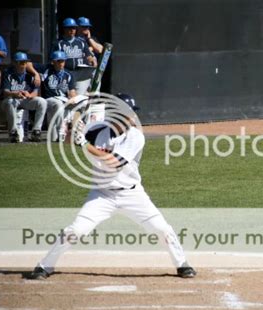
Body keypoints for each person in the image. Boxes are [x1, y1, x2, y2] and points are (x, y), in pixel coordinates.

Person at [29, 93, 197, 279]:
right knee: (76, 230)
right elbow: (70, 140)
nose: (132, 117)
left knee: (161, 228)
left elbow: (113, 162)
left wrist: (83, 143)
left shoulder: (135, 137)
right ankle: (45, 266)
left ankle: (182, 264)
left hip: (132, 195)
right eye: (128, 113)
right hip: (102, 194)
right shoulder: (96, 131)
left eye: (132, 113)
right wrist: (73, 130)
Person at [0, 52, 46, 143]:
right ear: (15, 63)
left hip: (25, 100)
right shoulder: (8, 73)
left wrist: (30, 95)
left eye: (25, 62)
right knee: (10, 102)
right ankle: (13, 132)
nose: (24, 64)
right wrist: (15, 94)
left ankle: (36, 131)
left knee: (42, 102)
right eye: (21, 62)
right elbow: (5, 92)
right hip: (10, 100)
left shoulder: (30, 75)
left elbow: (35, 92)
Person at [52, 18, 96, 95]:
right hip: (65, 73)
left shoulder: (81, 42)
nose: (72, 30)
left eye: (74, 28)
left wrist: (92, 60)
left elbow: (88, 56)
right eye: (69, 28)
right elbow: (53, 59)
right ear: (64, 29)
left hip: (80, 73)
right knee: (66, 97)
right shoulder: (58, 43)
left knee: (79, 97)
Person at [42, 51, 77, 142]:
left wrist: (72, 98)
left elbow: (72, 91)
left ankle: (76, 132)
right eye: (59, 61)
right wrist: (35, 74)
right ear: (53, 62)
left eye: (63, 61)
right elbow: (28, 64)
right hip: (49, 99)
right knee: (58, 104)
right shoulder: (46, 69)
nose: (61, 63)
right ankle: (61, 130)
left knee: (82, 104)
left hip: (63, 100)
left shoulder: (68, 74)